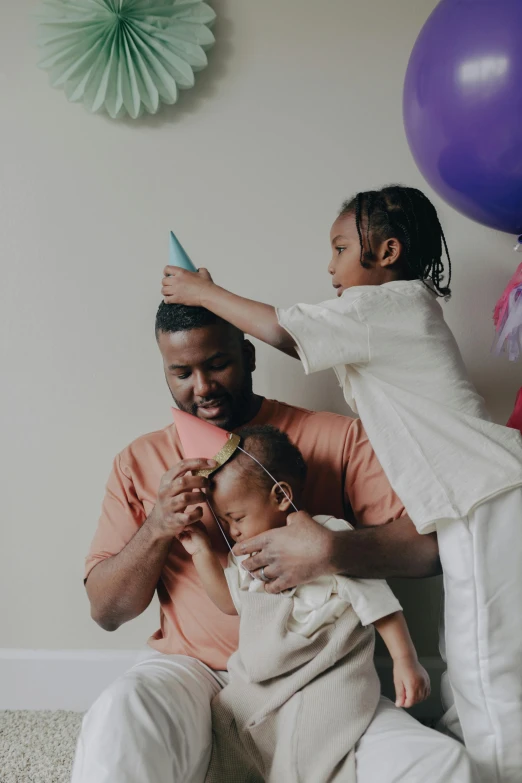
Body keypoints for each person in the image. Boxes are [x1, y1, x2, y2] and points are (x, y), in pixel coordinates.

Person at [162, 184, 522, 783]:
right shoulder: (387, 320)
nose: (329, 266)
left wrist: (203, 293)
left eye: (339, 249)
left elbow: (282, 328)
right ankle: (477, 763)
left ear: (386, 251)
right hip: (472, 497)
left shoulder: (392, 306)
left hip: (486, 493)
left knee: (488, 659)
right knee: (470, 652)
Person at [71, 301, 474, 783]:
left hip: (320, 677)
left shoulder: (336, 437)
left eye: (217, 364)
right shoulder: (138, 460)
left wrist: (331, 550)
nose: (201, 387)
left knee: (439, 765)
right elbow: (106, 611)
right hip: (195, 672)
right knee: (119, 717)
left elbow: (431, 550)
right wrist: (158, 527)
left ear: (248, 354)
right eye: (181, 373)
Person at [179, 423, 430, 782]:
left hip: (328, 673)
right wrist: (202, 551)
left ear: (281, 496)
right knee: (227, 719)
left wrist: (406, 661)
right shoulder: (247, 554)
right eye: (224, 522)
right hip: (267, 676)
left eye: (236, 518)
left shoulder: (328, 537)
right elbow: (232, 603)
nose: (232, 531)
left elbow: (378, 602)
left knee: (305, 746)